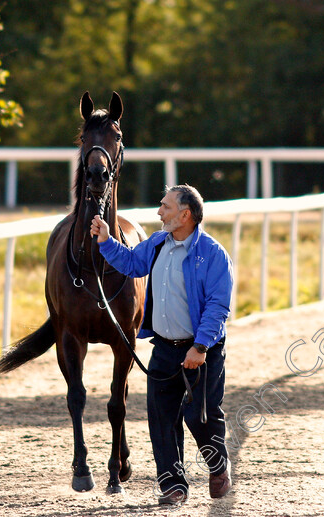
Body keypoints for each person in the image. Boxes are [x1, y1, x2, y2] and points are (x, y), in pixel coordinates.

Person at [90, 184, 233, 508]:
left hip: (202, 351)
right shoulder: (156, 243)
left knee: (200, 417)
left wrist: (199, 347)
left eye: (165, 207)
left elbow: (217, 306)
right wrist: (105, 241)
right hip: (165, 348)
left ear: (185, 215)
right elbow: (131, 264)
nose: (159, 212)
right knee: (162, 417)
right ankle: (173, 485)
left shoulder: (212, 254)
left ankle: (218, 466)